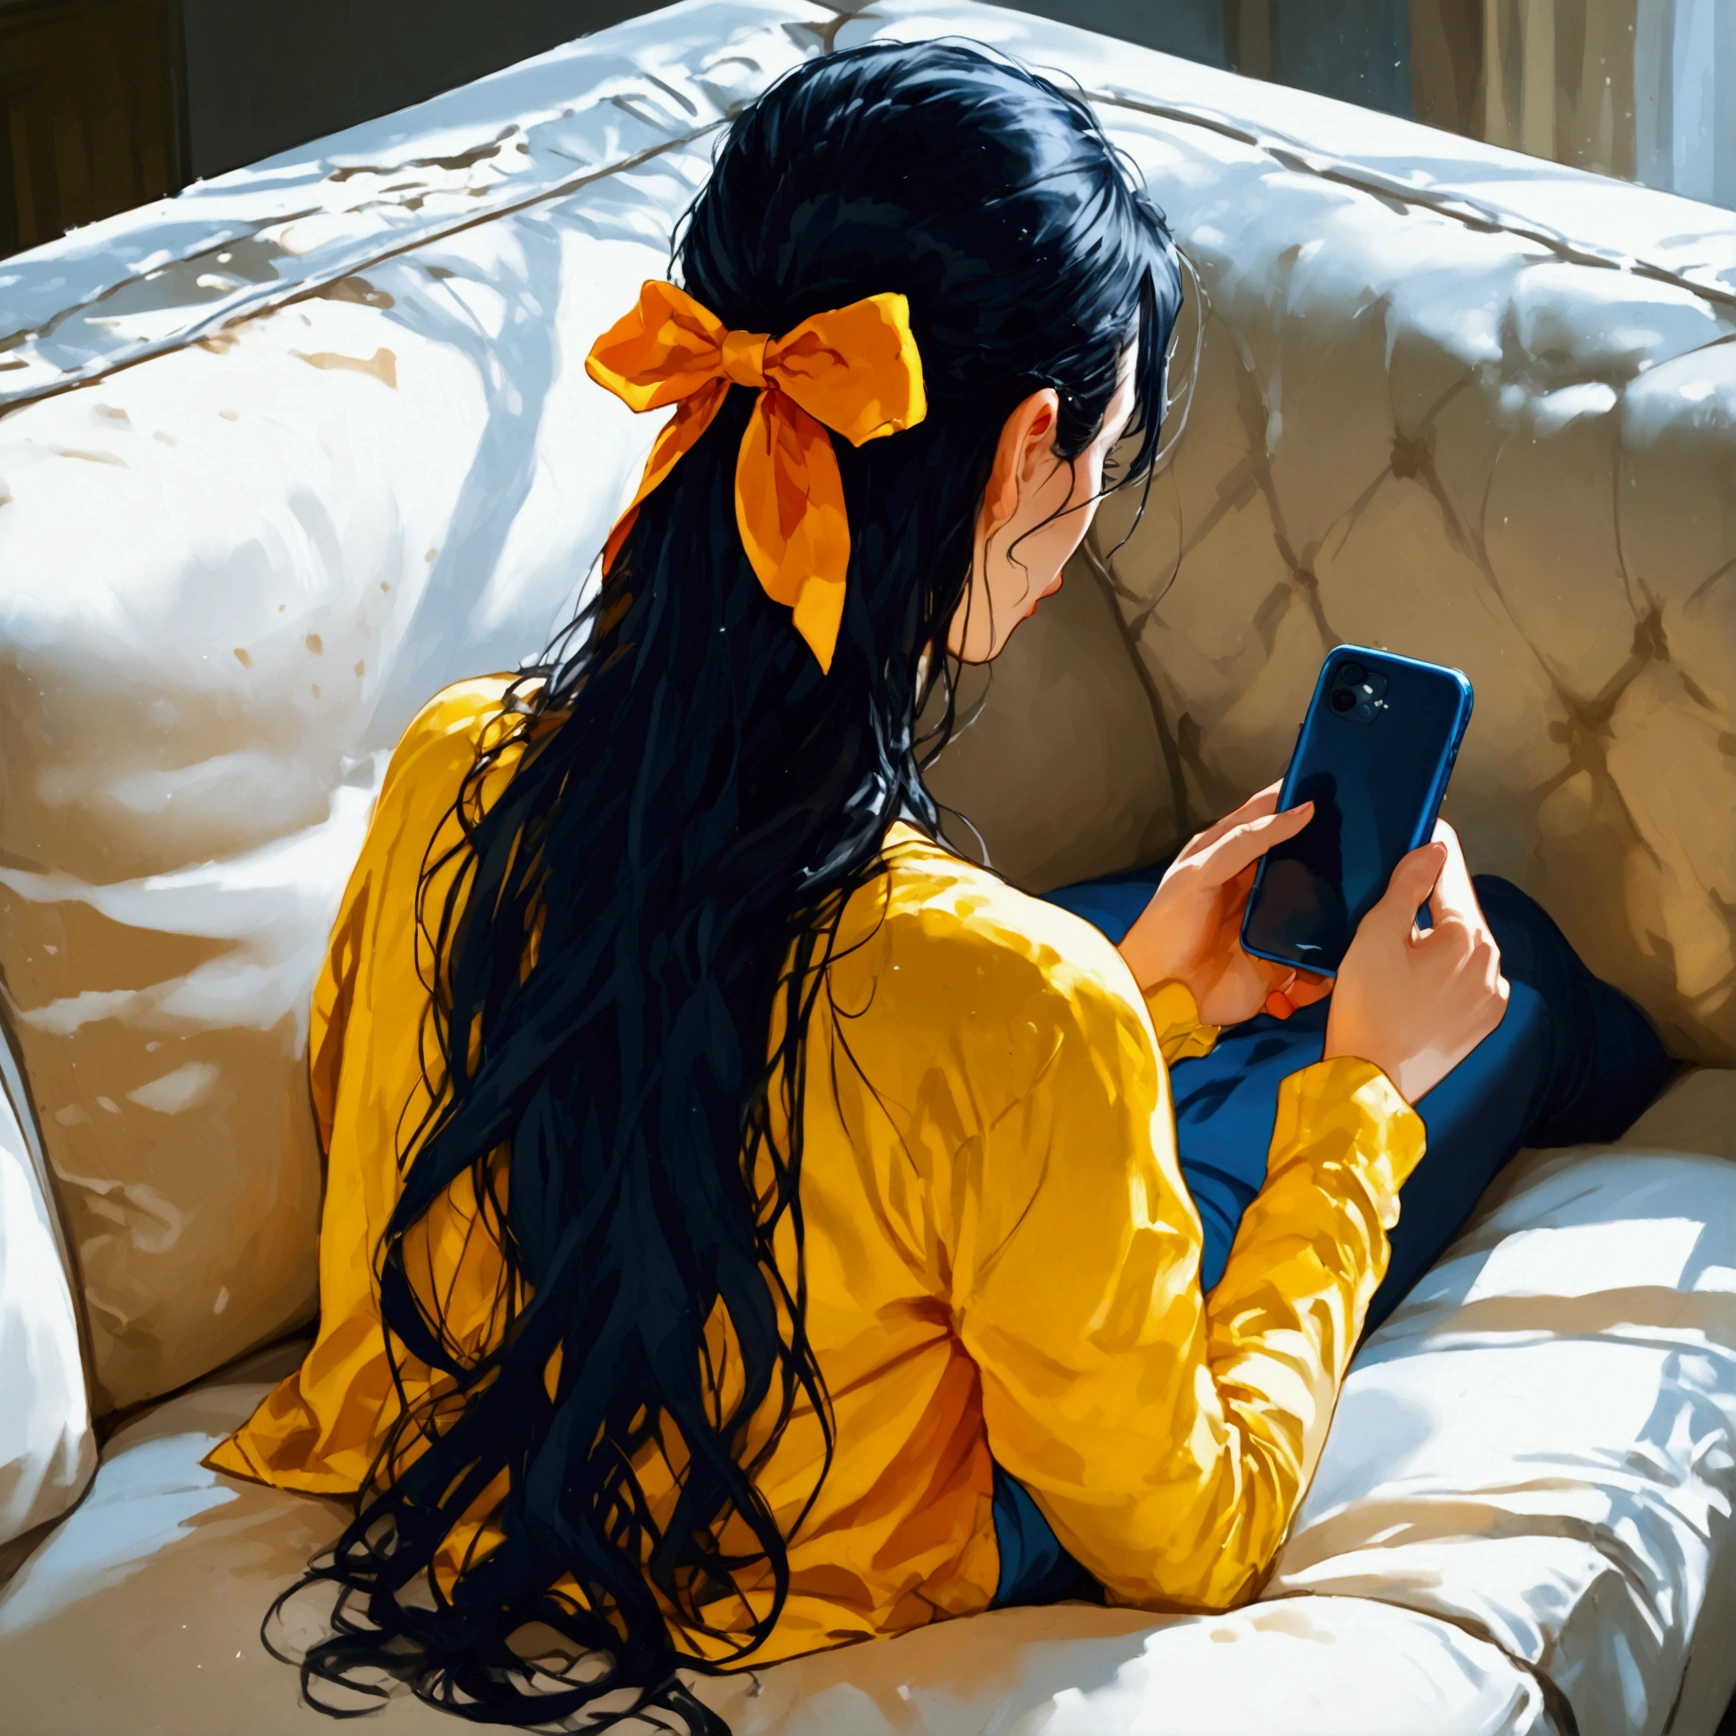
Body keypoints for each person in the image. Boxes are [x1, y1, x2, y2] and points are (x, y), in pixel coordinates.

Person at [206, 38, 1674, 1730]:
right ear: (1028, 442)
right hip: (855, 1524)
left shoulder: (453, 767)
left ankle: (1320, 1025)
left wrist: (1138, 1003)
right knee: (1516, 991)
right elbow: (1190, 1537)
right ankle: (1567, 1049)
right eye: (1103, 469)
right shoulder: (1008, 996)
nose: (1080, 536)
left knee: (1150, 927)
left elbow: (671, 1076)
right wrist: (1359, 1100)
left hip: (536, 1455)